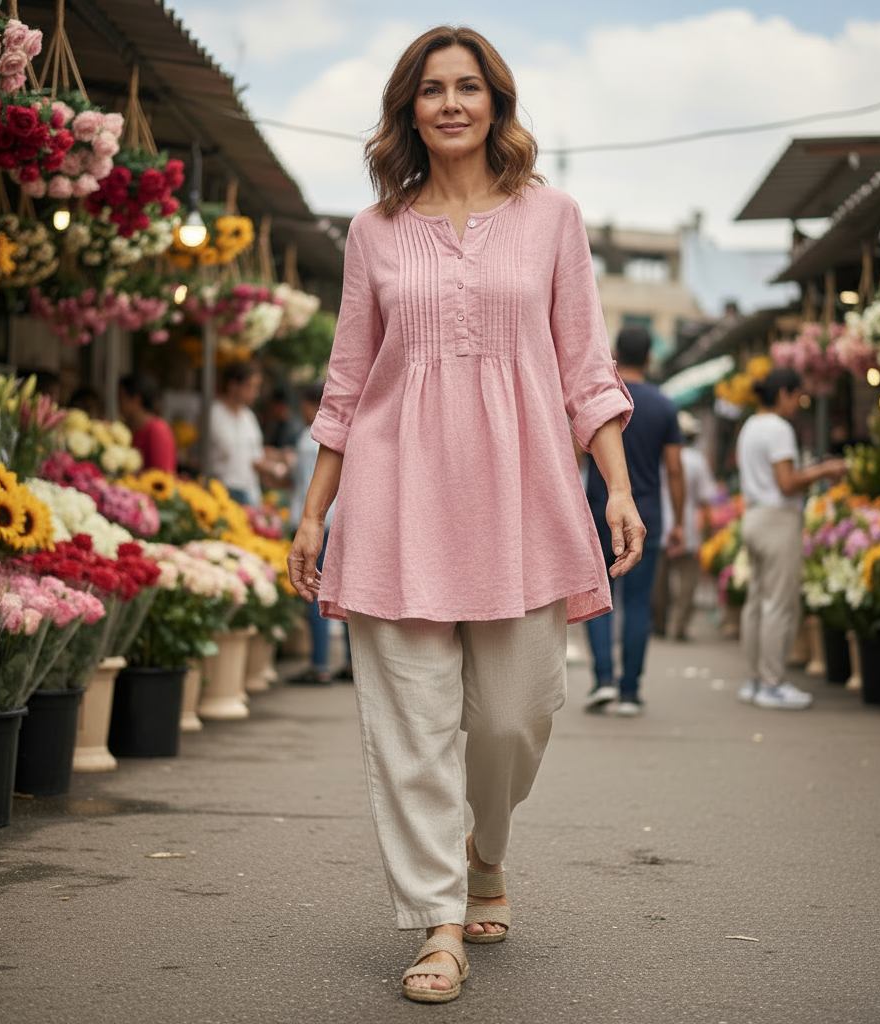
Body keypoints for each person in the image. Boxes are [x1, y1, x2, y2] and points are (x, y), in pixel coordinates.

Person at [285, 26, 645, 1004]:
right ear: (408, 109)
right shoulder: (374, 231)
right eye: (431, 89)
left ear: (496, 102)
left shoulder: (553, 216)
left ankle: (487, 846)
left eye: (467, 86)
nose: (450, 103)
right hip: (395, 497)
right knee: (408, 723)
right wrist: (314, 513)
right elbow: (349, 379)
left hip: (523, 498)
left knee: (517, 714)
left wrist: (614, 483)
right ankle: (437, 921)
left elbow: (585, 364)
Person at [583, 326, 684, 716]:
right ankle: (629, 692)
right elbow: (674, 470)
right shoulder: (663, 405)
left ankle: (603, 681)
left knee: (601, 599)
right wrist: (679, 520)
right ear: (649, 358)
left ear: (616, 355)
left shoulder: (601, 401)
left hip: (598, 509)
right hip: (647, 516)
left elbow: (577, 456)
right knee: (639, 603)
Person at [736, 368, 845, 710]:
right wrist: (824, 470)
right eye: (797, 395)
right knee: (778, 605)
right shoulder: (779, 429)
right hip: (777, 518)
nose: (799, 403)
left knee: (757, 602)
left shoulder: (751, 425)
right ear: (783, 392)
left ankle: (756, 679)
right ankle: (772, 682)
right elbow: (787, 483)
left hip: (753, 516)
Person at [287, 382, 350, 685]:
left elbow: (302, 484)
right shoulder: (344, 429)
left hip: (318, 522)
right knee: (346, 590)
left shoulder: (313, 435)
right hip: (340, 518)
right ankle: (350, 662)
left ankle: (320, 663)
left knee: (314, 588)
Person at [651, 410, 717, 641]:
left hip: (659, 525)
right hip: (686, 527)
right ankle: (678, 626)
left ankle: (659, 623)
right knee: (688, 582)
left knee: (659, 581)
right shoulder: (697, 460)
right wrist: (707, 533)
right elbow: (706, 499)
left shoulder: (658, 457)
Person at [208, 361, 272, 507]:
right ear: (233, 385)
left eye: (256, 388)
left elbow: (256, 456)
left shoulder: (248, 417)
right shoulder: (214, 414)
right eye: (250, 386)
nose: (255, 393)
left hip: (249, 492)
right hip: (222, 490)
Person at [118, 373, 177, 473]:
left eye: (121, 397)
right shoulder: (126, 426)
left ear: (136, 399)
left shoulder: (157, 430)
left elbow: (162, 474)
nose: (119, 403)